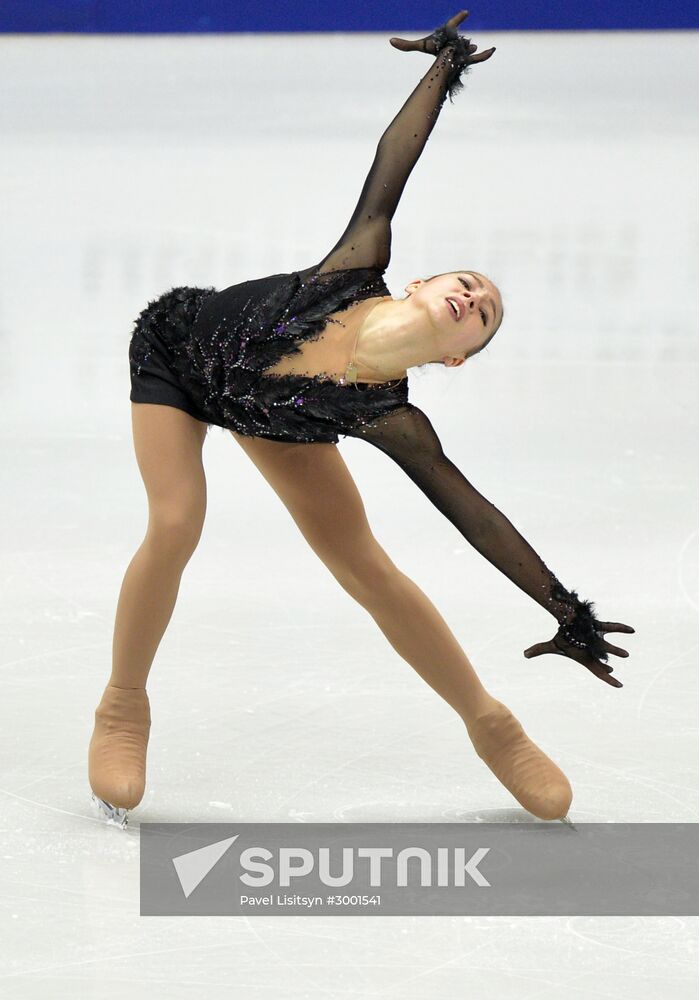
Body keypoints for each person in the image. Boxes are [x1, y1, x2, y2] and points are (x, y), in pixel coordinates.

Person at [88, 11, 634, 828]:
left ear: (457, 355)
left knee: (366, 569)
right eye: (467, 283)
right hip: (179, 354)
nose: (474, 296)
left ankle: (494, 726)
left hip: (276, 417)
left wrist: (565, 608)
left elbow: (473, 514)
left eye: (483, 314)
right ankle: (122, 706)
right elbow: (396, 157)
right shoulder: (353, 269)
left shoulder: (389, 417)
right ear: (417, 284)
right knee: (175, 523)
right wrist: (444, 66)